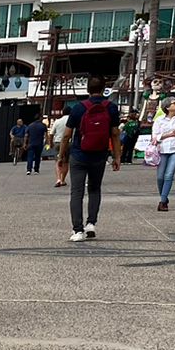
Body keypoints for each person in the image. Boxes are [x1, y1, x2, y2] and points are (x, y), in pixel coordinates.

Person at [65, 74, 121, 240]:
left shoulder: (78, 108)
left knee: (77, 192)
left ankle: (77, 230)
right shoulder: (111, 107)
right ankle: (91, 223)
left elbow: (67, 134)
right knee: (95, 189)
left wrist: (62, 155)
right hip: (99, 154)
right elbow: (115, 134)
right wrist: (116, 157)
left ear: (87, 89)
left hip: (79, 154)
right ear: (104, 89)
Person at [149, 97, 175, 211]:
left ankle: (162, 201)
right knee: (160, 177)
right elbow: (155, 137)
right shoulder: (159, 120)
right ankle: (164, 197)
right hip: (162, 149)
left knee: (169, 175)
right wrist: (170, 134)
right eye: (173, 103)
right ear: (167, 107)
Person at [51, 103, 73, 186]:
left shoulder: (57, 121)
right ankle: (63, 179)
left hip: (58, 142)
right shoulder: (72, 121)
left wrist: (50, 143)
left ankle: (58, 179)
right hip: (69, 143)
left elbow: (51, 133)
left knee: (58, 161)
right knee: (66, 162)